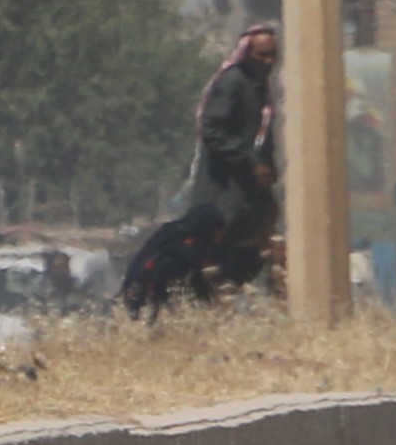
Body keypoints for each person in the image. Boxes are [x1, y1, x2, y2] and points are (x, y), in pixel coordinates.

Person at [122, 24, 285, 313]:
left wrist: (266, 168)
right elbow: (212, 130)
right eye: (261, 56)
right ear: (247, 53)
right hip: (225, 188)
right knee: (215, 249)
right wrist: (248, 163)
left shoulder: (260, 87)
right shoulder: (233, 82)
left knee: (259, 242)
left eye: (272, 56)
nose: (268, 63)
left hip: (251, 188)